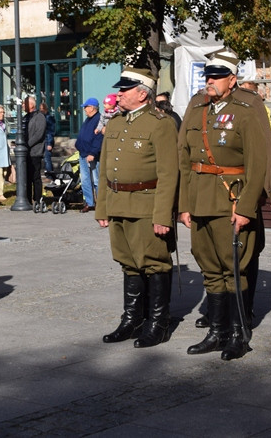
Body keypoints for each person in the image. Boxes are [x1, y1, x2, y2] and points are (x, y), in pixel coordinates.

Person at [179, 50, 268, 360]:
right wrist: (183, 204)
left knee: (234, 269)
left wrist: (245, 208)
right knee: (210, 270)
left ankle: (238, 334)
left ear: (233, 80)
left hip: (230, 200)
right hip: (200, 199)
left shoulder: (245, 111)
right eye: (208, 76)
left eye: (217, 76)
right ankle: (216, 332)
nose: (210, 81)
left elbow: (258, 164)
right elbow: (183, 159)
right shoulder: (196, 110)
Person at [96, 68, 179, 348]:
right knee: (128, 263)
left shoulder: (160, 123)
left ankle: (158, 322)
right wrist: (102, 208)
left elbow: (169, 173)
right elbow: (106, 167)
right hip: (118, 202)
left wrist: (162, 215)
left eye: (125, 90)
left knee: (154, 263)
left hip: (146, 203)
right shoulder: (117, 122)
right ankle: (132, 319)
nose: (118, 94)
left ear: (142, 93)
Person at [75, 98, 103, 211]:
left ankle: (101, 203)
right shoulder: (88, 119)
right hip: (83, 153)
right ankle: (89, 203)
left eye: (86, 107)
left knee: (96, 180)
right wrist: (78, 145)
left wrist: (93, 153)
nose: (84, 109)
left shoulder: (99, 119)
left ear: (92, 107)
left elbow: (99, 138)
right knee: (85, 180)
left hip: (92, 155)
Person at [24, 96, 48, 210]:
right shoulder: (25, 117)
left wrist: (27, 144)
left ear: (31, 105)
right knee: (26, 177)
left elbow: (39, 134)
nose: (23, 106)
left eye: (25, 104)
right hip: (25, 153)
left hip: (35, 152)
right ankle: (27, 199)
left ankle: (38, 199)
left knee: (35, 177)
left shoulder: (39, 117)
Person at [41, 101, 56, 173]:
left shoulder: (48, 118)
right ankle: (49, 172)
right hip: (43, 140)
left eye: (42, 109)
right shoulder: (43, 117)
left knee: (47, 158)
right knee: (45, 158)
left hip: (47, 140)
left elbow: (51, 131)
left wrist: (50, 143)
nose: (41, 110)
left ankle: (49, 174)